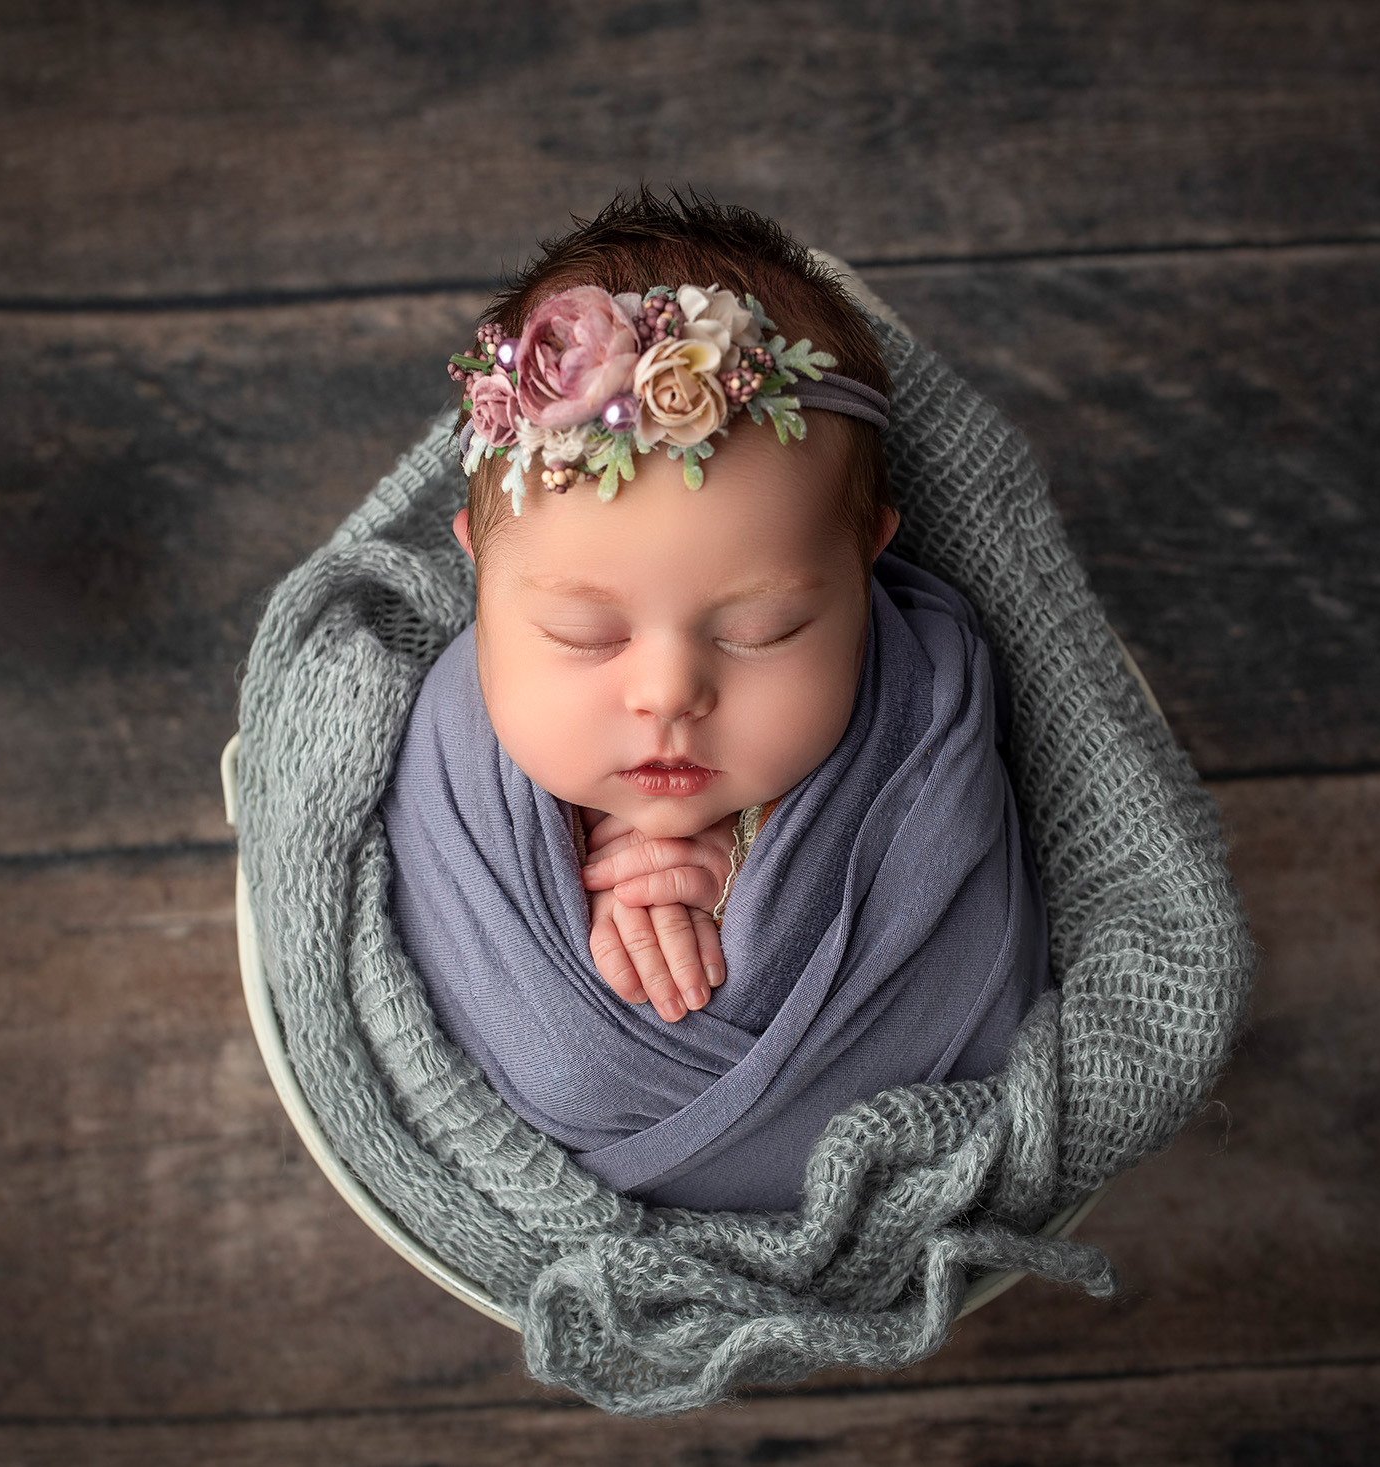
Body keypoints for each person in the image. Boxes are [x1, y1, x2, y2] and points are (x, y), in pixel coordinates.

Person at [381, 192, 1049, 1210]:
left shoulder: (930, 712)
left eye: (762, 630)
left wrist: (746, 879)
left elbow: (974, 1002)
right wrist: (577, 881)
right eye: (583, 634)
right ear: (475, 581)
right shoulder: (445, 749)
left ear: (867, 564)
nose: (666, 694)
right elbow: (425, 1002)